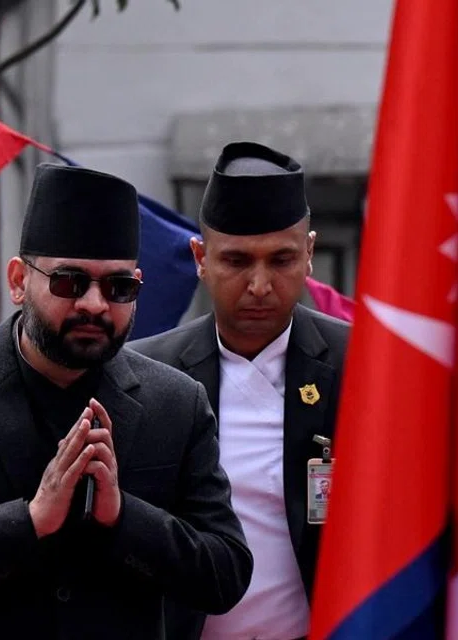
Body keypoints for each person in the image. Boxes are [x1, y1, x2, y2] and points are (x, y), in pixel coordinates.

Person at [0, 163, 253, 639]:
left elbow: (225, 572)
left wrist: (124, 517)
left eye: (119, 287)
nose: (95, 305)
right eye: (69, 282)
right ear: (19, 281)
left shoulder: (176, 403)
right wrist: (27, 523)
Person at [130, 141, 350, 640]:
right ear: (200, 258)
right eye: (236, 260)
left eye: (281, 259)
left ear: (309, 254)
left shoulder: (359, 366)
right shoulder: (146, 375)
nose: (259, 285)